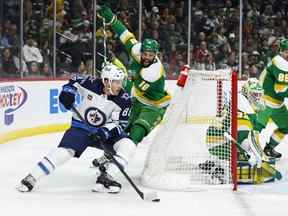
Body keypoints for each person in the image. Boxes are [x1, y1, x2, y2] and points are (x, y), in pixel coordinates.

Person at [16, 64, 135, 193]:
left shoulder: (124, 99)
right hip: (81, 127)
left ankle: (107, 176)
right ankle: (32, 177)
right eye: (116, 82)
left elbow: (120, 124)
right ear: (106, 81)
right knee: (65, 152)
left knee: (128, 145)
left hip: (104, 132)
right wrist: (68, 91)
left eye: (120, 82)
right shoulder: (91, 83)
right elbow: (74, 78)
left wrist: (105, 132)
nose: (120, 85)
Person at [97, 5, 171, 145]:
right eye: (145, 54)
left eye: (150, 55)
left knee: (138, 130)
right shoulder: (137, 51)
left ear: (156, 55)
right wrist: (112, 19)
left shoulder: (153, 72)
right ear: (141, 51)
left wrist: (115, 75)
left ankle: (124, 154)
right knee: (124, 125)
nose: (147, 57)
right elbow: (126, 35)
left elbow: (133, 90)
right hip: (138, 99)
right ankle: (109, 154)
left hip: (154, 105)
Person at [201, 78, 275, 184]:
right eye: (254, 94)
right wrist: (256, 155)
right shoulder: (244, 107)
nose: (257, 98)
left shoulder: (239, 100)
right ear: (246, 92)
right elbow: (242, 137)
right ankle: (218, 171)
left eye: (259, 94)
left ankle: (212, 162)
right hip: (218, 142)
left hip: (214, 139)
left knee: (245, 148)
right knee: (243, 151)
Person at [257, 38, 288, 159]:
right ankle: (243, 150)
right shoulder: (280, 62)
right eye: (286, 51)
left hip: (277, 103)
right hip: (264, 100)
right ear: (281, 51)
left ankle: (269, 149)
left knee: (286, 126)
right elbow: (281, 90)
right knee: (256, 128)